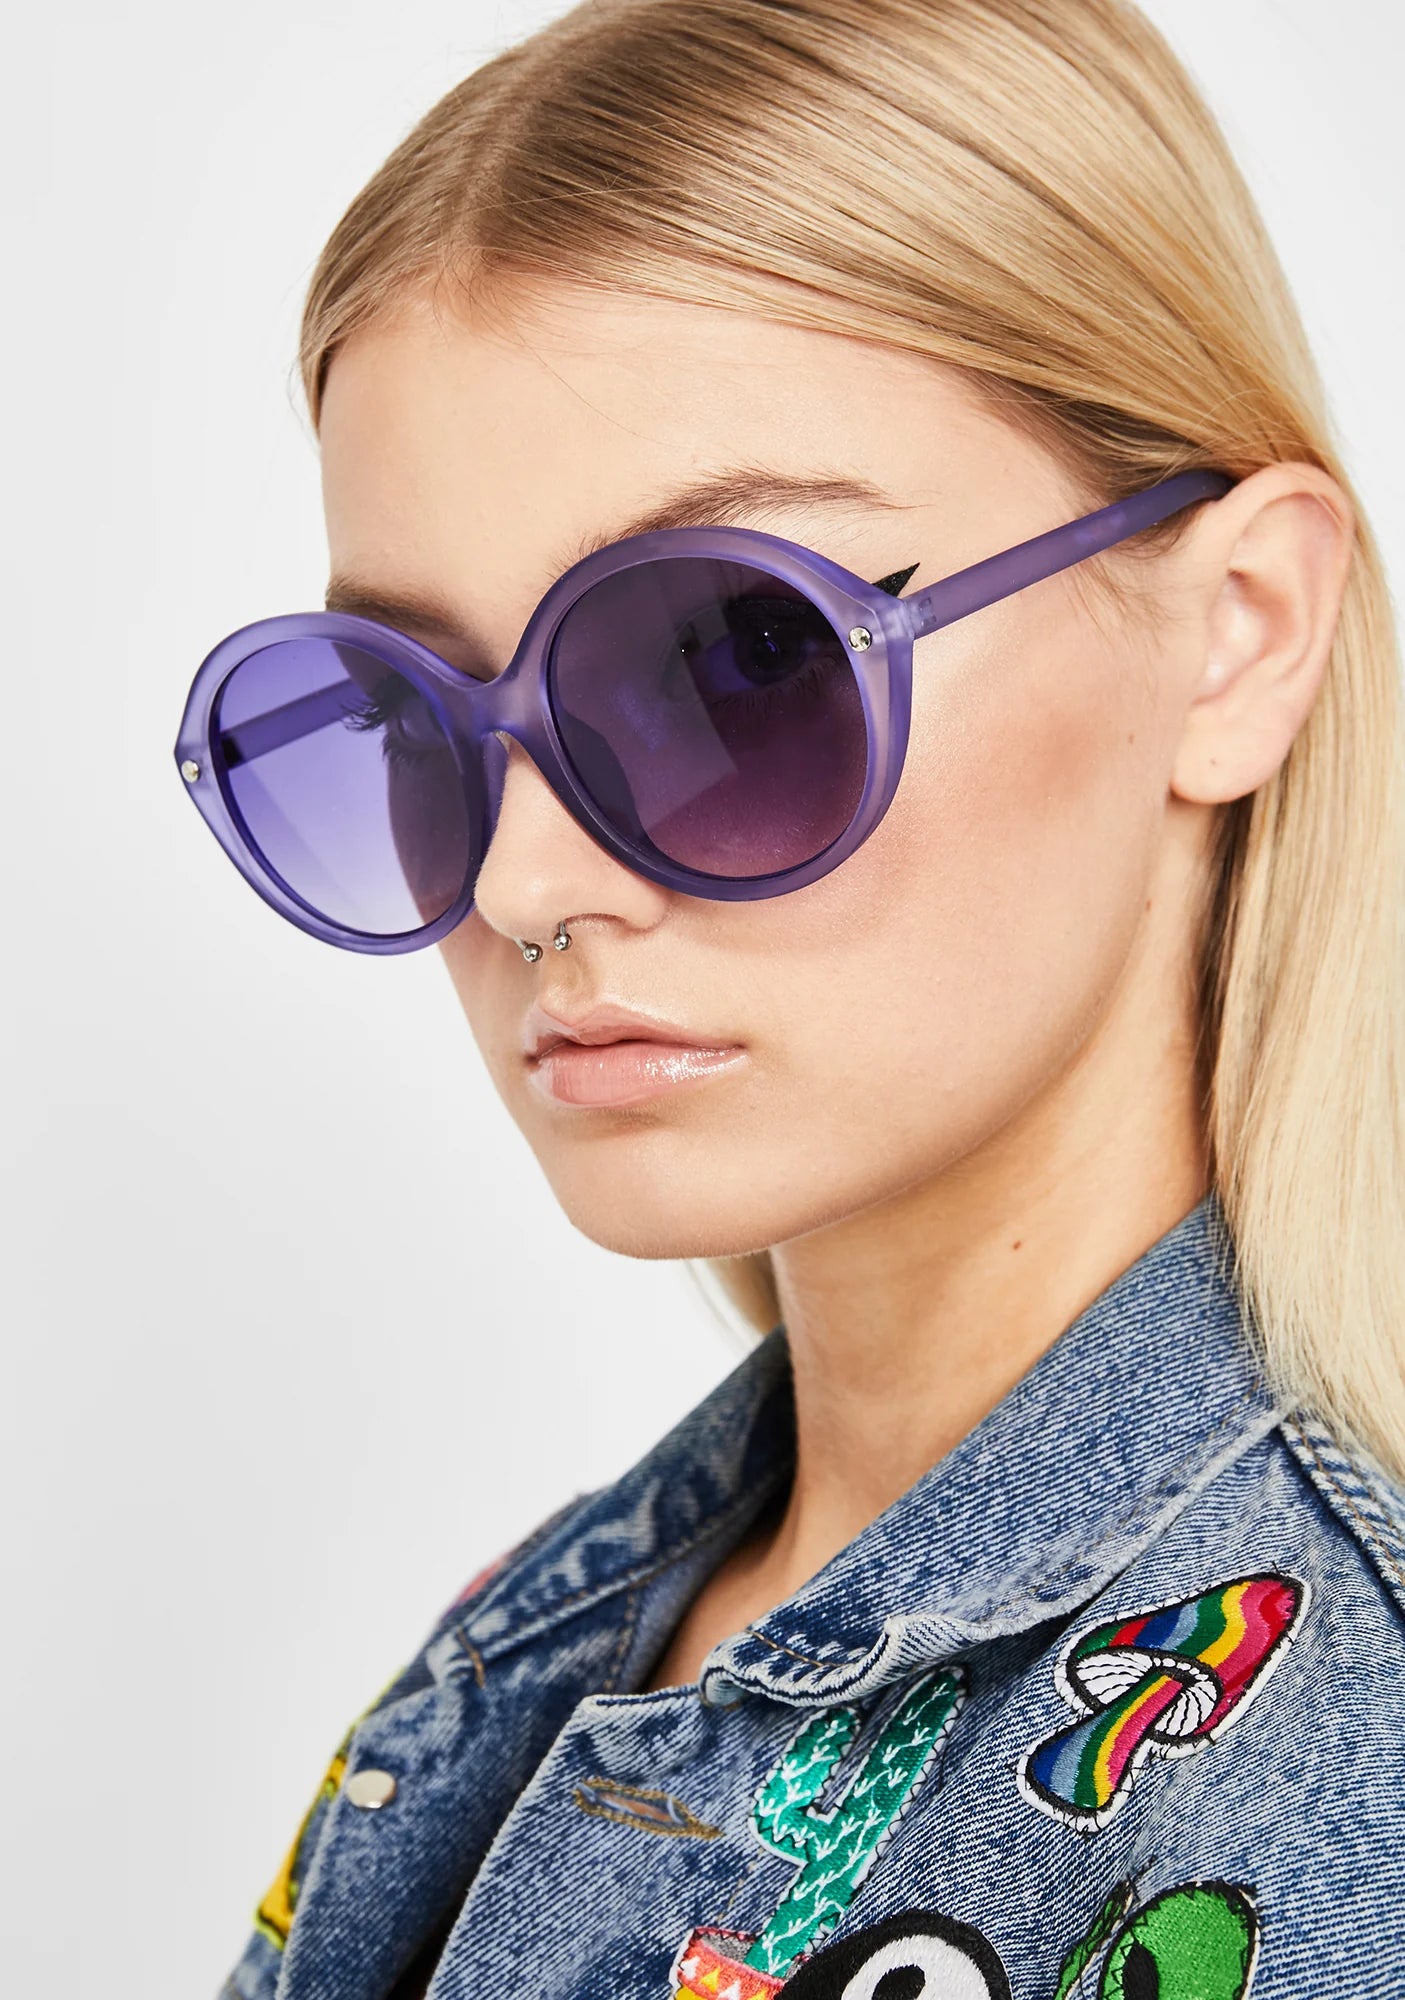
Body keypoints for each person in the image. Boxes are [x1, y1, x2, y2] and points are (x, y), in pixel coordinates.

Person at [178, 2, 1405, 1994]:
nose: (524, 880)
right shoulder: (516, 1668)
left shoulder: (1341, 1774)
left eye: (743, 658)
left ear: (1237, 636)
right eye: (408, 718)